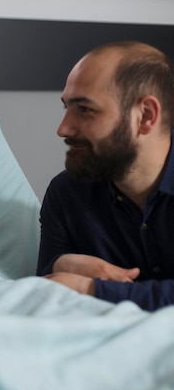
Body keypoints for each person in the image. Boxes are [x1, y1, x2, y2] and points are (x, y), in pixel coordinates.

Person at [37, 40, 174, 311]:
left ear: (145, 116)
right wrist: (59, 265)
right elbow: (47, 288)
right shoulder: (66, 194)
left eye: (85, 109)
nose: (63, 129)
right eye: (67, 108)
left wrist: (90, 289)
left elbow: (70, 290)